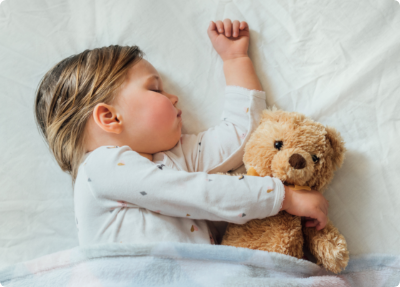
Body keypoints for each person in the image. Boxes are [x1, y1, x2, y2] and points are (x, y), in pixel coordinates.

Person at [34, 19, 329, 246]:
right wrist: (282, 198)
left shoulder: (175, 156)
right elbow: (197, 192)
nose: (173, 97)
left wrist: (236, 61)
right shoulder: (100, 167)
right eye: (155, 88)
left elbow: (239, 137)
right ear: (110, 117)